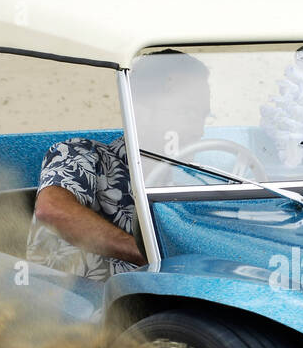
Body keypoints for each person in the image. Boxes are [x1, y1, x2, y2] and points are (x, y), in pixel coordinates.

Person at [25, 49, 211, 280]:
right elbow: (51, 209)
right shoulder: (80, 154)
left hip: (155, 309)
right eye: (188, 112)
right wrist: (147, 255)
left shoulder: (188, 186)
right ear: (138, 110)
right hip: (68, 307)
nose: (199, 130)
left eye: (204, 117)